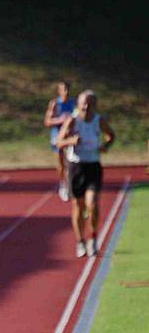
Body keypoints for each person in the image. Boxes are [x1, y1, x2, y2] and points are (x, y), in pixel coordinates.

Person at [57, 90, 115, 257]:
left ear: (95, 106)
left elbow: (111, 135)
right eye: (84, 103)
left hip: (93, 166)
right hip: (76, 166)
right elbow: (59, 142)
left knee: (93, 204)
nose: (87, 106)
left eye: (90, 103)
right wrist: (71, 141)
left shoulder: (99, 121)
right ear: (79, 104)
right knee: (78, 205)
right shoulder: (72, 121)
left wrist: (105, 146)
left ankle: (93, 238)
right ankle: (80, 241)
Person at [44, 81, 76, 201]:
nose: (66, 92)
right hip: (57, 136)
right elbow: (47, 122)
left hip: (70, 136)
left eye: (68, 89)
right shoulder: (55, 104)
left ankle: (71, 185)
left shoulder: (74, 103)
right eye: (64, 89)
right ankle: (63, 184)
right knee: (61, 163)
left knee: (71, 162)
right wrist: (60, 120)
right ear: (59, 91)